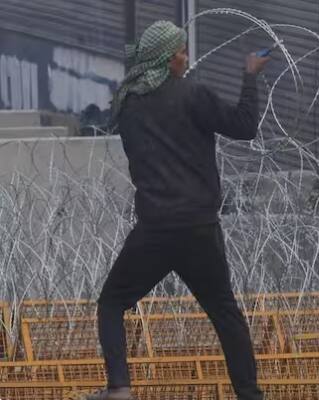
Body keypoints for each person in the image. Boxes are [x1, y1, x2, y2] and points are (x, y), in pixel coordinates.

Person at [87, 21, 269, 400]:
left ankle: (119, 387)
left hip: (154, 228)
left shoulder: (128, 103)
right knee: (225, 312)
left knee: (112, 302)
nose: (186, 59)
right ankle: (250, 395)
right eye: (182, 53)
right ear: (169, 59)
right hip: (198, 227)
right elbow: (244, 126)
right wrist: (250, 77)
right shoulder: (192, 94)